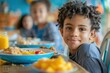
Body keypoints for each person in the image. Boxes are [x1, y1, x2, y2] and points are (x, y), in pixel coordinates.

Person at [57, 1, 107, 73]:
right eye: (69, 28)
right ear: (62, 31)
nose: (74, 34)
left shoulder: (86, 54)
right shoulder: (73, 49)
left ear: (91, 34)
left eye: (82, 29)